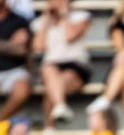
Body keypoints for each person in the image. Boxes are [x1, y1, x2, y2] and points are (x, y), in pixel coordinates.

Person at [32, 0, 91, 128]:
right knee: (48, 70)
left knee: (53, 87)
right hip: (51, 67)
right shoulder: (41, 22)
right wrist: (47, 19)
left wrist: (64, 16)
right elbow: (38, 47)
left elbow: (69, 36)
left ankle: (49, 126)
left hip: (76, 65)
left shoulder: (81, 17)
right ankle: (60, 106)